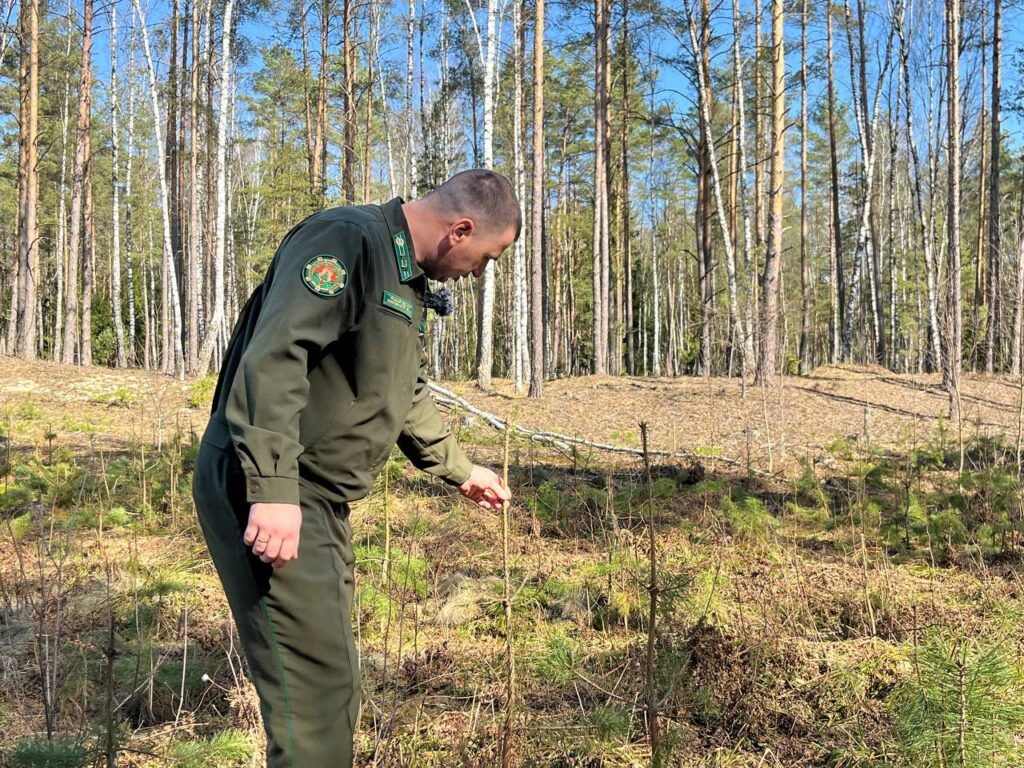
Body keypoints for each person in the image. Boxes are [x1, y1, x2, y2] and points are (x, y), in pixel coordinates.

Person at [192, 169, 519, 767]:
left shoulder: (403, 275)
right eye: (486, 257)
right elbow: (276, 359)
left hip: (311, 496)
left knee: (333, 677)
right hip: (273, 486)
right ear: (461, 229)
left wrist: (459, 468)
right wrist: (271, 490)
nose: (479, 273)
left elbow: (402, 389)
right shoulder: (348, 241)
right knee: (312, 694)